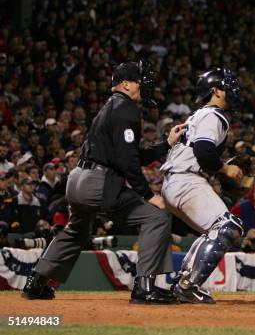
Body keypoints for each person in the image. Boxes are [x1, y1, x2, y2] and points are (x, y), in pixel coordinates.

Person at [23, 61, 185, 304]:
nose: (144, 85)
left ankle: (36, 282)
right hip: (98, 182)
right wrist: (148, 194)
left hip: (77, 180)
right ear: (126, 84)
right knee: (156, 217)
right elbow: (127, 159)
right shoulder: (127, 108)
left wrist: (165, 144)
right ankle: (145, 287)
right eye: (140, 81)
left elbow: (126, 152)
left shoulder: (110, 107)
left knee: (77, 229)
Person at [160, 67, 245, 304]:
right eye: (229, 87)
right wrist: (225, 169)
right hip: (185, 180)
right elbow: (204, 152)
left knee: (215, 229)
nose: (233, 92)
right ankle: (187, 286)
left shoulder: (198, 115)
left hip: (175, 181)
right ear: (216, 91)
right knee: (228, 226)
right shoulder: (213, 115)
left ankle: (184, 282)